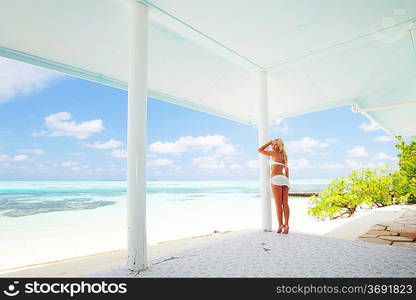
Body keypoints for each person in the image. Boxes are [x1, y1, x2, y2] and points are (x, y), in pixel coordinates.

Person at [257, 138, 290, 234]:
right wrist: (288, 181)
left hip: (276, 179)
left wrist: (269, 142)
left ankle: (281, 225)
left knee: (278, 204)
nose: (273, 146)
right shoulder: (284, 156)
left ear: (279, 146)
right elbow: (287, 170)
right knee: (285, 204)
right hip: (284, 179)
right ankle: (286, 225)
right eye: (273, 144)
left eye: (275, 144)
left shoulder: (273, 153)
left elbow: (260, 150)